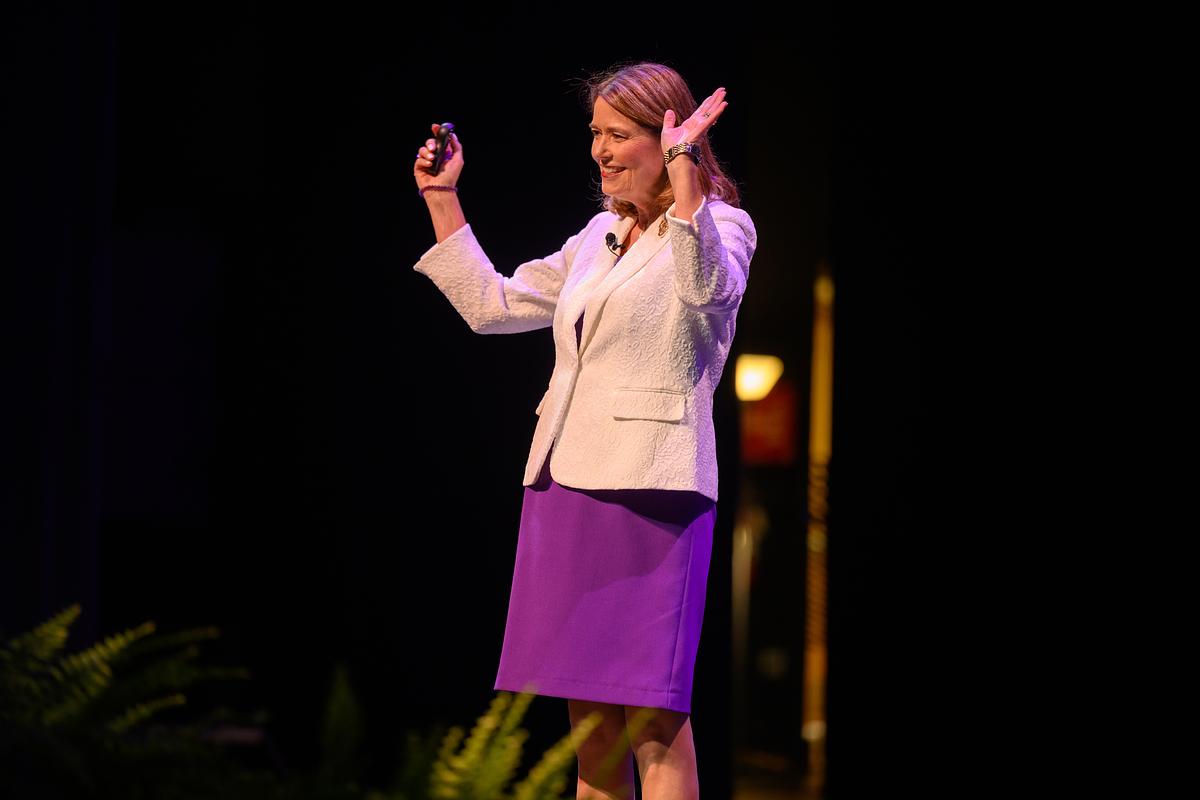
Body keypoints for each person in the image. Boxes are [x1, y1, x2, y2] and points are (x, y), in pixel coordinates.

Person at [410, 62, 756, 800]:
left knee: (655, 721)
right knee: (591, 727)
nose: (599, 150)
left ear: (667, 139)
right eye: (594, 133)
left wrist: (685, 175)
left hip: (650, 491)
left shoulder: (720, 225)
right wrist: (443, 200)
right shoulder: (600, 234)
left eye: (618, 134)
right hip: (565, 485)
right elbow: (493, 306)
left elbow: (709, 293)